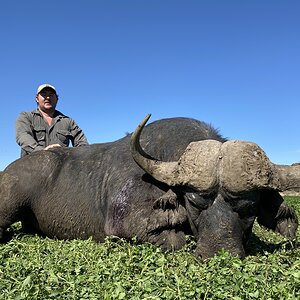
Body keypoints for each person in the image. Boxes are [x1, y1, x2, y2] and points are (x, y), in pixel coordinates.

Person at [16, 83, 88, 157]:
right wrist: (42, 151)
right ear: (37, 98)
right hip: (32, 165)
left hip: (60, 166)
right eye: (43, 94)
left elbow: (82, 144)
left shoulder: (68, 121)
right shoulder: (26, 117)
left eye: (51, 95)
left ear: (57, 99)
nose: (47, 97)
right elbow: (22, 136)